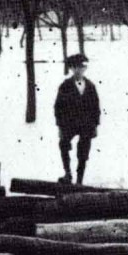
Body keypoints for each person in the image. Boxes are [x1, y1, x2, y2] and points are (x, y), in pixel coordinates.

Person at [54, 53, 101, 185]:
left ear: (85, 69)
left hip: (86, 124)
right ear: (71, 69)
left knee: (83, 151)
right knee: (63, 144)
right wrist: (60, 127)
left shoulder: (90, 86)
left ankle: (80, 179)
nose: (78, 71)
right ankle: (68, 173)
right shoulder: (65, 86)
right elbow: (58, 107)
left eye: (81, 67)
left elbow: (95, 107)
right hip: (70, 123)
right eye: (75, 68)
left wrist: (95, 125)